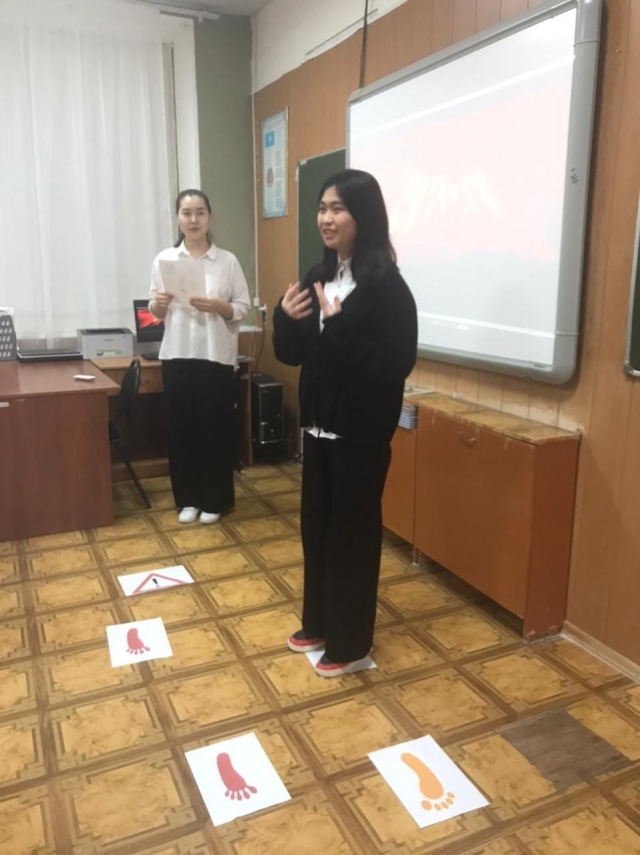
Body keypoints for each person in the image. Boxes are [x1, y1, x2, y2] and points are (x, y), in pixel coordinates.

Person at [273, 169, 418, 677]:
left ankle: (350, 642)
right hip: (318, 429)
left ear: (364, 216)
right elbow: (294, 354)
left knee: (351, 536)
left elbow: (394, 364)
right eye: (322, 208)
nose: (326, 218)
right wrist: (285, 318)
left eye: (338, 209)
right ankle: (318, 623)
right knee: (317, 527)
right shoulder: (319, 274)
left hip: (360, 437)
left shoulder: (388, 287)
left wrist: (339, 328)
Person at [149, 189, 251, 524]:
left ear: (209, 217)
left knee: (215, 428)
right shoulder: (164, 260)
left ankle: (215, 500)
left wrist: (220, 306)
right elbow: (154, 310)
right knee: (181, 429)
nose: (193, 220)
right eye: (186, 213)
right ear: (178, 218)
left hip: (215, 356)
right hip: (177, 354)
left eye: (200, 212)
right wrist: (158, 305)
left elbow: (242, 307)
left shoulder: (227, 261)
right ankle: (188, 499)